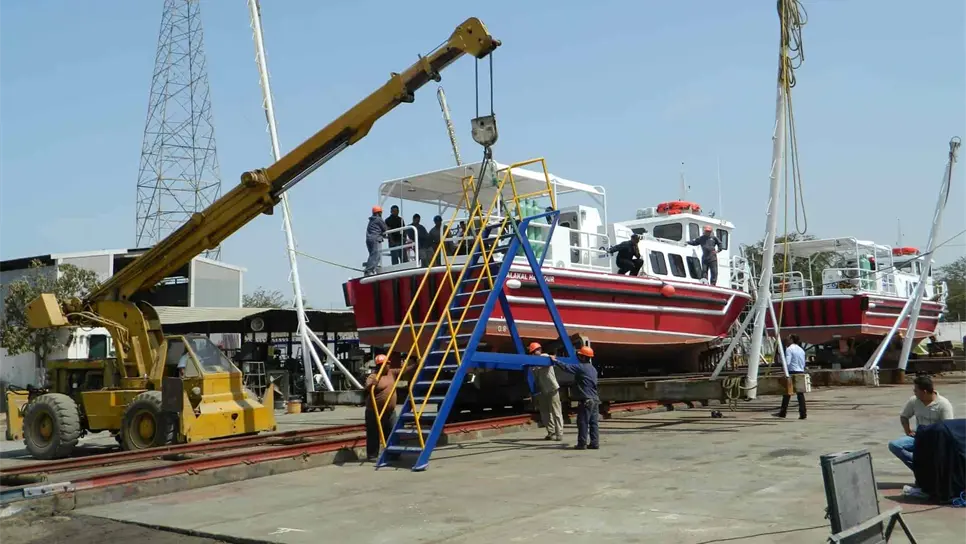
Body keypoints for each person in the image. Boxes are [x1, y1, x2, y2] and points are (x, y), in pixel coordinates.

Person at [887, 375, 955, 472]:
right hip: (919, 437)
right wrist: (908, 431)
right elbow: (904, 416)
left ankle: (925, 470)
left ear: (924, 392)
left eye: (916, 390)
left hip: (936, 439)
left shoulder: (943, 404)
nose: (914, 392)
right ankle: (920, 469)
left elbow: (948, 427)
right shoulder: (914, 401)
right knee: (895, 445)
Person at [550, 345, 600, 450]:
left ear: (583, 357)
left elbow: (566, 367)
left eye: (580, 355)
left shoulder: (581, 367)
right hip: (595, 399)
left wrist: (555, 360)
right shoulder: (593, 369)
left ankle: (582, 444)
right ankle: (594, 443)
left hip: (586, 400)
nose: (578, 357)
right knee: (593, 423)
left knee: (583, 422)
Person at [364, 354, 405, 462]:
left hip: (389, 411)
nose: (383, 366)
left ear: (388, 364)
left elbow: (405, 370)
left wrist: (416, 364)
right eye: (380, 365)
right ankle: (372, 455)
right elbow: (367, 387)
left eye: (385, 364)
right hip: (374, 411)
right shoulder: (373, 376)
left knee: (392, 431)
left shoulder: (392, 373)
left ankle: (394, 454)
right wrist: (372, 384)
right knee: (373, 433)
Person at [527, 342, 563, 441]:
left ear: (539, 350)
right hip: (542, 390)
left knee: (556, 411)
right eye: (532, 352)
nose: (534, 353)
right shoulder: (532, 365)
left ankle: (559, 433)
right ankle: (551, 432)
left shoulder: (545, 357)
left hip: (552, 388)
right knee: (545, 413)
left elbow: (549, 357)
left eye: (535, 351)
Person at [777, 334, 807, 419]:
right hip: (800, 371)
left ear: (791, 339)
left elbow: (787, 362)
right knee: (800, 394)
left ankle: (783, 412)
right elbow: (803, 363)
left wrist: (783, 369)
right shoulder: (801, 350)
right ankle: (803, 413)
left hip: (792, 372)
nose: (786, 340)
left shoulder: (789, 349)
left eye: (788, 338)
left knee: (787, 393)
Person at [364, 205, 388, 276]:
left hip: (369, 239)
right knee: (376, 255)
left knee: (372, 255)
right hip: (375, 239)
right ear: (379, 213)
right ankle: (369, 270)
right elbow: (385, 228)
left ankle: (370, 268)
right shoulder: (378, 219)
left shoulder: (371, 220)